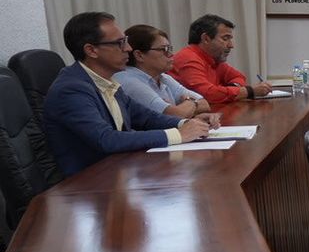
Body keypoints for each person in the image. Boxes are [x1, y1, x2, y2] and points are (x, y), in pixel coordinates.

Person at [43, 11, 213, 177]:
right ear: (91, 50)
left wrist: (187, 123)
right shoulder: (71, 89)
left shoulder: (107, 82)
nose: (128, 48)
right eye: (120, 42)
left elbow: (147, 118)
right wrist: (178, 134)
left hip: (117, 171)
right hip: (87, 183)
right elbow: (106, 139)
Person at [171, 14, 272, 105]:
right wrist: (249, 91)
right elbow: (207, 95)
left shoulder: (214, 59)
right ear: (206, 39)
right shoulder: (188, 59)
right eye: (225, 39)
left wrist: (231, 89)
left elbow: (238, 76)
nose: (231, 45)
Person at [115, 24, 210, 119]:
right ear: (139, 55)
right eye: (164, 49)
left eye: (170, 49)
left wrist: (181, 109)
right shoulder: (128, 80)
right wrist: (190, 101)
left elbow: (205, 104)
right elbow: (176, 115)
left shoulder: (163, 77)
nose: (171, 54)